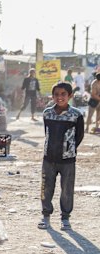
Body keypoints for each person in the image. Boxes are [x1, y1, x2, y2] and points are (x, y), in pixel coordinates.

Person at [38, 82, 84, 231]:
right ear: (52, 96)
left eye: (63, 94)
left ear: (70, 96)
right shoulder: (47, 113)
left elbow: (79, 136)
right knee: (46, 188)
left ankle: (65, 217)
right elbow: (47, 133)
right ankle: (46, 215)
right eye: (56, 94)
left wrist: (69, 149)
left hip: (67, 160)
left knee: (67, 189)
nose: (59, 97)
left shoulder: (76, 115)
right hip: (49, 158)